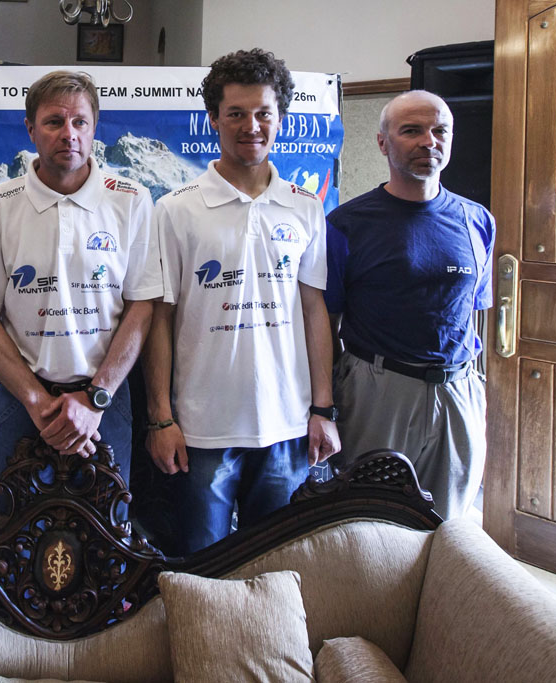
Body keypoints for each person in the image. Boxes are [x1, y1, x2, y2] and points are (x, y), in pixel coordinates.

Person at [143, 48, 340, 555]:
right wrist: (161, 419)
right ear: (213, 119)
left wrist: (324, 409)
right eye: (235, 113)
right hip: (202, 429)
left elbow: (314, 310)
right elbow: (158, 320)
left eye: (263, 113)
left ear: (281, 118)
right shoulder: (175, 210)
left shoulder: (304, 209)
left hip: (287, 428)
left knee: (276, 566)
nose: (250, 126)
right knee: (201, 569)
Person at [0, 70, 161, 497]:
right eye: (54, 122)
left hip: (107, 400)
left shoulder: (132, 200)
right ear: (30, 129)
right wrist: (35, 401)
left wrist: (95, 399)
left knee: (109, 536)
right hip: (18, 401)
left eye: (79, 122)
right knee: (14, 536)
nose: (68, 134)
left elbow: (142, 307)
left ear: (94, 128)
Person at [325, 90, 494, 520]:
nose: (428, 142)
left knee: (449, 530)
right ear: (383, 142)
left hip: (458, 392)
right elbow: (324, 324)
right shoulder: (346, 225)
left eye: (440, 131)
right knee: (369, 525)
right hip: (378, 393)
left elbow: (474, 312)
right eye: (412, 131)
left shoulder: (477, 220)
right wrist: (324, 405)